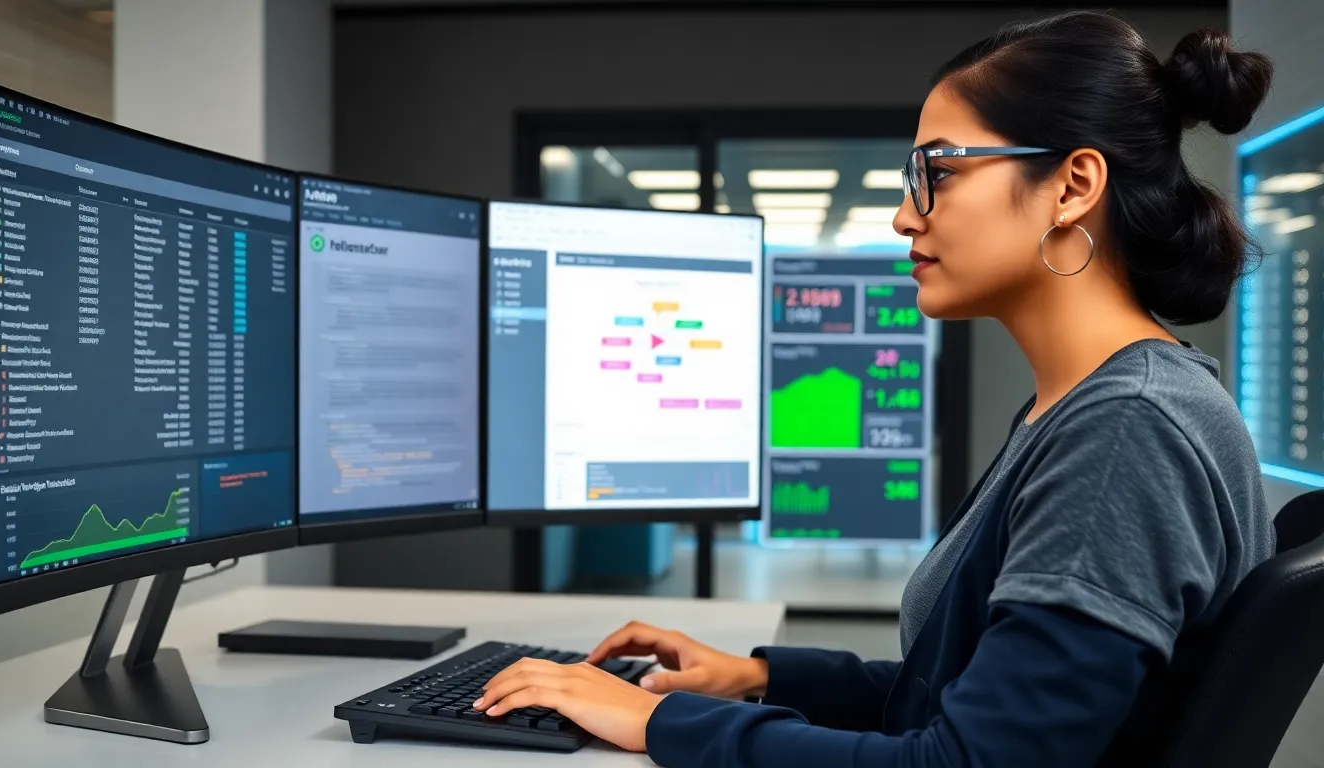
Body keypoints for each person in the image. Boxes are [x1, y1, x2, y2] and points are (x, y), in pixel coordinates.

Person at [473, 10, 1278, 766]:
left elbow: (968, 761)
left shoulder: (1124, 432)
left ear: (1072, 187)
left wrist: (659, 722)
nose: (903, 215)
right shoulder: (1094, 407)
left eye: (936, 172)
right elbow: (958, 697)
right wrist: (757, 678)